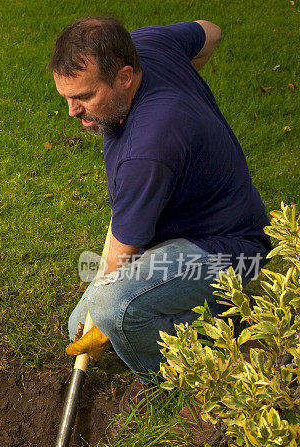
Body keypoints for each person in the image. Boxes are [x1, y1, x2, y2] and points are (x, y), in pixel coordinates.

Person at [48, 17, 271, 404]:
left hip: (231, 248)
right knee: (77, 328)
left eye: (84, 96)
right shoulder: (141, 45)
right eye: (66, 97)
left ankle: (169, 381)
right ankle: (210, 315)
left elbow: (120, 255)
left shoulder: (148, 148)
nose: (72, 110)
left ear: (124, 77)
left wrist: (108, 311)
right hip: (188, 229)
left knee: (115, 311)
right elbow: (210, 30)